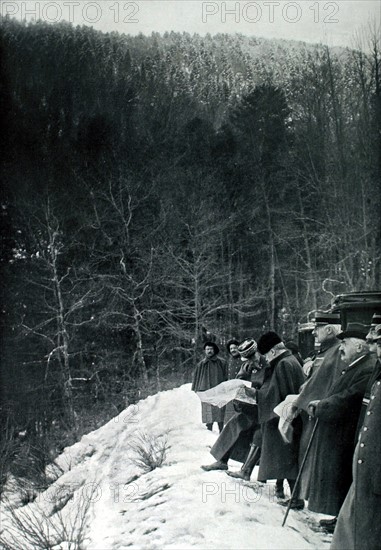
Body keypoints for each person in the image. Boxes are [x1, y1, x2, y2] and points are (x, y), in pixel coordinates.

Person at [305, 323, 375, 532]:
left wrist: (322, 406)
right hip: (342, 432)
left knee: (344, 477)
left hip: (349, 433)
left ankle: (343, 522)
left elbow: (348, 397)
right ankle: (339, 518)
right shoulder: (356, 365)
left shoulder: (367, 367)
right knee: (341, 477)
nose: (341, 347)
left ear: (360, 347)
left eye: (344, 343)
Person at [331, 323, 381, 550]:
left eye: (378, 342)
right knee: (350, 526)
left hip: (374, 469)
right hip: (366, 465)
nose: (374, 346)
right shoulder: (378, 371)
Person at [286, 312, 342, 511]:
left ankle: (304, 498)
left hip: (318, 411)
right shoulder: (326, 351)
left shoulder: (334, 351)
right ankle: (300, 496)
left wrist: (297, 402)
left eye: (317, 330)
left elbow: (319, 382)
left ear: (329, 329)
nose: (314, 334)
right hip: (313, 409)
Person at [254, 332, 306, 506]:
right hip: (289, 419)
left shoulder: (283, 364)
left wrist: (256, 395)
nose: (266, 359)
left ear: (274, 351)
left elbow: (282, 394)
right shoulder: (290, 360)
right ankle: (295, 497)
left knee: (287, 458)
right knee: (287, 458)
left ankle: (296, 499)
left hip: (284, 420)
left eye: (267, 354)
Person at [201, 339, 264, 472]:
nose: (250, 361)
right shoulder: (247, 365)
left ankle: (244, 468)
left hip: (264, 408)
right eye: (246, 359)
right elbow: (239, 379)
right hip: (251, 406)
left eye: (251, 357)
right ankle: (222, 460)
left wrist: (256, 389)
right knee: (233, 424)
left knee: (248, 430)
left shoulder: (267, 364)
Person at [191, 341, 227, 432]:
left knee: (220, 411)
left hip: (219, 391)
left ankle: (221, 431)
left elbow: (226, 376)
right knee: (208, 412)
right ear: (204, 351)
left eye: (211, 349)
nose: (209, 351)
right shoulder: (201, 364)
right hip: (206, 391)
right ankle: (209, 431)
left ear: (214, 350)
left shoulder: (222, 362)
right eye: (207, 349)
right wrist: (196, 389)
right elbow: (196, 377)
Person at [224, 339, 242, 423]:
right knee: (232, 413)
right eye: (231, 349)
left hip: (242, 389)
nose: (233, 350)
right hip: (232, 390)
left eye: (235, 348)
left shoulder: (244, 359)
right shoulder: (230, 360)